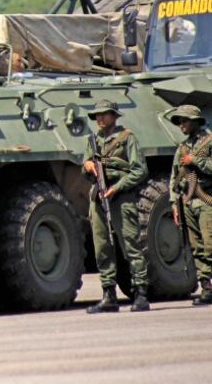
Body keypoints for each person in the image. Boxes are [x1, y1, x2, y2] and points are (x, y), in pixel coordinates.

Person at [82, 100, 150, 313]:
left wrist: (117, 187)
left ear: (114, 116)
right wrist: (87, 165)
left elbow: (140, 170)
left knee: (131, 244)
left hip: (121, 197)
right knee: (102, 246)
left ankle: (140, 293)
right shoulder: (93, 140)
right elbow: (85, 168)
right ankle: (108, 294)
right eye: (97, 116)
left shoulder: (127, 138)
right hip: (99, 197)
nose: (99, 119)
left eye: (104, 114)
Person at [168, 104, 212, 305]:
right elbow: (175, 177)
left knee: (211, 244)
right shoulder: (182, 148)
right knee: (196, 247)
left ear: (196, 122)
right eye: (179, 122)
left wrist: (196, 160)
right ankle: (206, 288)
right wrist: (174, 203)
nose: (181, 125)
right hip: (187, 200)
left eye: (185, 121)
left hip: (206, 198)